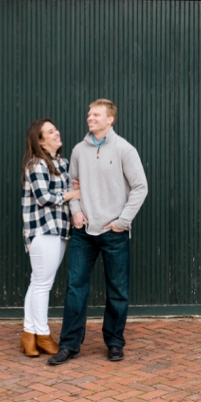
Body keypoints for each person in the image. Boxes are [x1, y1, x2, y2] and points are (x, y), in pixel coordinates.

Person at [49, 99, 148, 365]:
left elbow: (140, 187)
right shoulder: (79, 150)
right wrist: (76, 211)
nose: (90, 118)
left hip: (114, 233)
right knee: (75, 289)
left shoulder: (125, 149)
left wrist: (122, 222)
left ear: (110, 119)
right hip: (84, 232)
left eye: (96, 115)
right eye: (89, 113)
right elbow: (73, 185)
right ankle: (69, 344)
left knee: (117, 290)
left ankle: (114, 342)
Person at [20, 119, 79, 357]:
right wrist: (74, 193)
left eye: (56, 129)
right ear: (40, 140)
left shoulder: (61, 163)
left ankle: (28, 334)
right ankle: (42, 335)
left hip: (59, 229)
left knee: (38, 282)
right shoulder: (36, 164)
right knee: (43, 284)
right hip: (43, 230)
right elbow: (44, 197)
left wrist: (72, 192)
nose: (57, 133)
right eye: (50, 132)